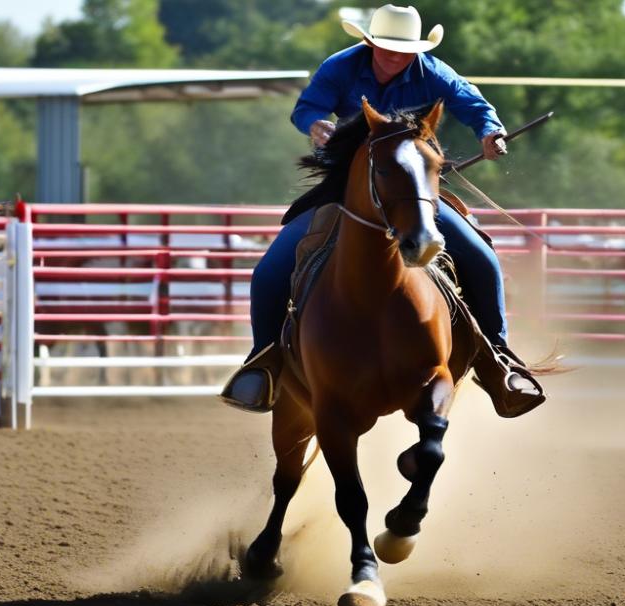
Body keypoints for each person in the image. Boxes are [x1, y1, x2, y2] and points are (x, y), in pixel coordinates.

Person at [221, 4, 545, 417]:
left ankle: (498, 360)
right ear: (369, 42)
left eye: (403, 49)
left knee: (482, 258)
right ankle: (263, 363)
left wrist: (491, 132)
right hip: (346, 191)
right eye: (386, 48)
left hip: (409, 195)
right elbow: (306, 108)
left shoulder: (435, 72)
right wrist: (316, 124)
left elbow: (473, 105)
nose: (395, 56)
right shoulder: (340, 67)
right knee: (270, 269)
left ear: (416, 49)